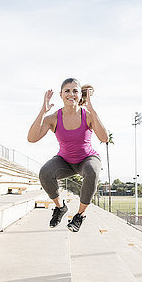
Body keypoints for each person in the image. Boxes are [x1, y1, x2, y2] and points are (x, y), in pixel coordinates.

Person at [27, 78, 108, 232]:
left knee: (92, 171)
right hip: (65, 161)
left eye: (75, 91)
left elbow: (104, 138)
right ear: (61, 94)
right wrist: (43, 111)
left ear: (80, 94)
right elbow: (32, 138)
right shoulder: (53, 118)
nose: (71, 94)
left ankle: (79, 215)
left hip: (87, 159)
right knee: (45, 173)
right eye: (67, 91)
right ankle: (60, 207)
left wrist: (93, 109)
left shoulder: (88, 115)